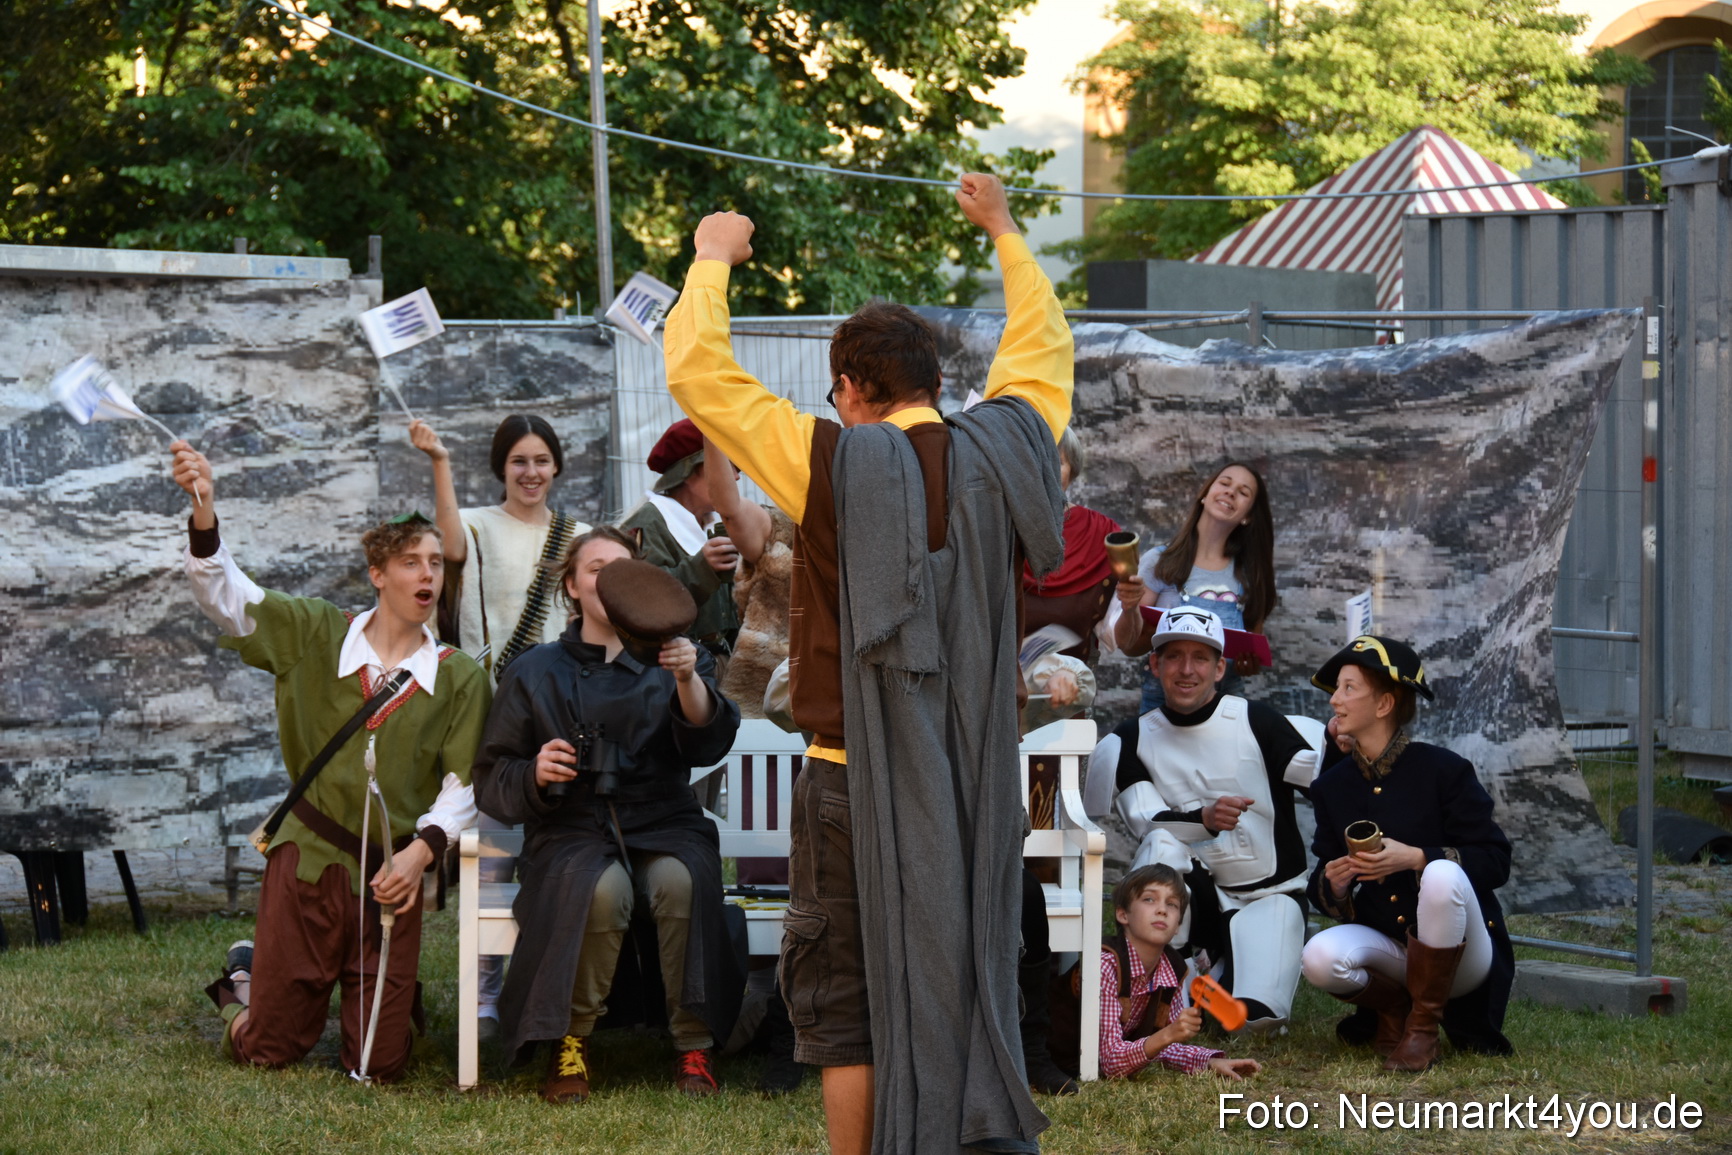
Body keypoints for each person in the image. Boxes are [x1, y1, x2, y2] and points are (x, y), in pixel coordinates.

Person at [663, 172, 1070, 1155]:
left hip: (850, 782)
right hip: (973, 788)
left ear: (849, 389)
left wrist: (711, 258)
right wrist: (1004, 230)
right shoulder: (1009, 443)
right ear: (932, 380)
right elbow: (1043, 348)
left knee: (843, 1002)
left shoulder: (832, 462)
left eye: (837, 391)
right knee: (961, 978)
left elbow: (700, 380)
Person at [172, 442, 491, 1083]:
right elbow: (226, 598)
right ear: (378, 573)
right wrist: (204, 512)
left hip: (391, 875)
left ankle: (389, 998)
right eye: (409, 562)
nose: (427, 575)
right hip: (308, 864)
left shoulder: (459, 678)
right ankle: (242, 980)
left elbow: (464, 783)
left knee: (378, 1065)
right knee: (271, 1048)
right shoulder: (316, 633)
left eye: (435, 563)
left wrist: (420, 854)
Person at [470, 526, 743, 1103]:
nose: (609, 579)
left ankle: (693, 1044)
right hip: (572, 827)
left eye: (621, 567)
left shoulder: (675, 655)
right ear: (570, 586)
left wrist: (688, 678)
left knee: (679, 879)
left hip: (666, 818)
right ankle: (570, 1040)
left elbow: (705, 743)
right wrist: (537, 771)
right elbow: (494, 777)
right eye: (595, 569)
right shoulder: (535, 669)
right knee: (600, 887)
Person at [410, 412, 589, 1037]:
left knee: (566, 862)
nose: (531, 472)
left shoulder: (580, 536)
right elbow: (451, 547)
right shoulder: (479, 527)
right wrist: (438, 461)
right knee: (490, 864)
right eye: (519, 461)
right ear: (501, 468)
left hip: (569, 714)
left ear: (557, 465)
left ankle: (557, 997)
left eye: (541, 460)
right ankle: (484, 998)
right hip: (501, 717)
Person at [1084, 605, 1318, 1034]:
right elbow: (1147, 822)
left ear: (1219, 668)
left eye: (1201, 658)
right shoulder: (1131, 739)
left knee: (1256, 1020)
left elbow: (1325, 784)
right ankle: (1153, 981)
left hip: (1270, 894)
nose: (1186, 669)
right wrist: (1206, 819)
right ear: (1154, 664)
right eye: (1174, 656)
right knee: (1161, 847)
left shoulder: (1259, 722)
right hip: (1192, 898)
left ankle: (1203, 983)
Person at [1301, 636, 1515, 1072]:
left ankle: (1422, 1031)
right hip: (1393, 953)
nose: (1335, 701)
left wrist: (1417, 857)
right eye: (1336, 689)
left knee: (1440, 874)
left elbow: (1496, 861)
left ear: (1384, 705)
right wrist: (1335, 885)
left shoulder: (1444, 770)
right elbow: (1320, 879)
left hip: (1465, 957)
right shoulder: (1333, 786)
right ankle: (1396, 1011)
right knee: (1319, 958)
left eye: (1347, 688)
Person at [1054, 864, 1262, 1082]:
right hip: (1057, 1055)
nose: (1162, 909)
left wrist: (1208, 1061)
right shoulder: (1105, 965)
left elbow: (1161, 1049)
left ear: (1178, 927)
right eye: (1149, 899)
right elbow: (1111, 1063)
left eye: (1172, 904)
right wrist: (1169, 1034)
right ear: (1123, 914)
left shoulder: (1172, 970)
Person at [1111, 462, 1275, 713]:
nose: (1230, 492)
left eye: (1243, 492)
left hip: (1227, 702)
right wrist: (1130, 608)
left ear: (1248, 516)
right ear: (1205, 494)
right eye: (1225, 483)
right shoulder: (1159, 562)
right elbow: (1129, 644)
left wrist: (1247, 664)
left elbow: (1252, 650)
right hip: (1163, 701)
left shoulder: (1252, 576)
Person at [619, 418, 742, 667]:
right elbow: (646, 604)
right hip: (672, 669)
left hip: (718, 664)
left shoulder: (714, 524)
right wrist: (702, 568)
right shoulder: (650, 523)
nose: (737, 477)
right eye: (729, 464)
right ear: (690, 470)